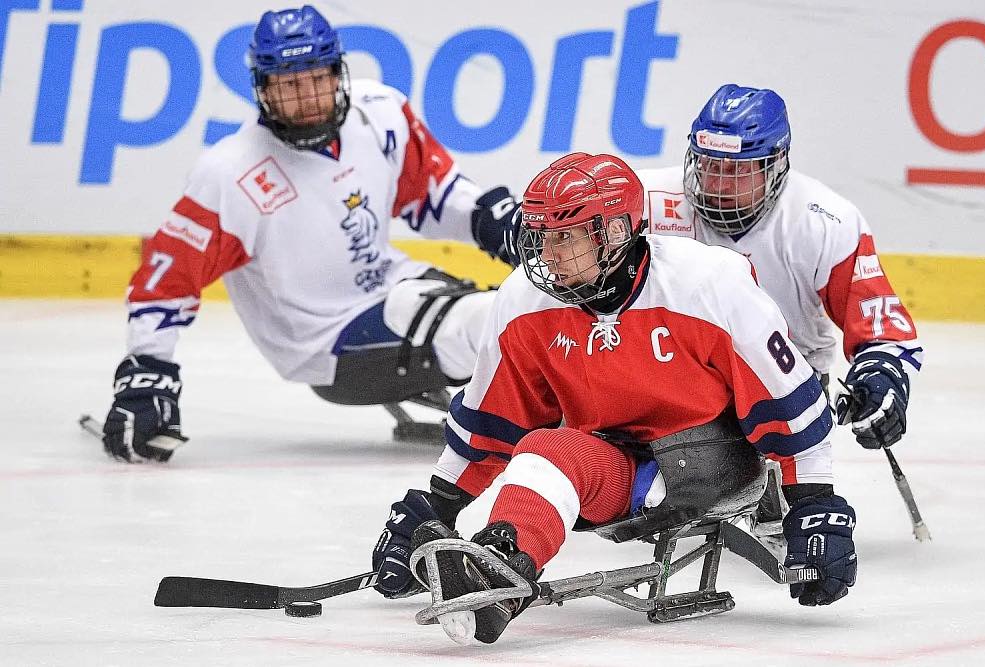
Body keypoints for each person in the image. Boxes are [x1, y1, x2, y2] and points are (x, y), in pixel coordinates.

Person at [371, 153, 858, 645]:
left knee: (563, 449)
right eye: (540, 237)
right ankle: (498, 571)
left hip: (715, 460)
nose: (547, 255)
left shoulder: (710, 285)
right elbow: (490, 421)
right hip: (615, 463)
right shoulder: (523, 300)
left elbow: (790, 406)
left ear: (616, 232)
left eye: (565, 237)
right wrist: (435, 508)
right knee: (547, 449)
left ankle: (498, 572)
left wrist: (815, 505)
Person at [101, 5, 519, 463]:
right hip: (326, 338)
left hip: (401, 287)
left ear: (338, 73)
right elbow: (166, 281)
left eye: (318, 78)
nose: (308, 98)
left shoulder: (379, 113)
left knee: (522, 303)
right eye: (290, 85)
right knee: (495, 324)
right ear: (263, 89)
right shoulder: (230, 173)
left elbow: (433, 194)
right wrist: (147, 374)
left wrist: (497, 223)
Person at [637, 83, 923, 535]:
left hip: (785, 378)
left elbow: (877, 322)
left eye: (737, 171)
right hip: (673, 371)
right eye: (709, 166)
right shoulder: (646, 199)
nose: (717, 184)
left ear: (775, 165)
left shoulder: (824, 221)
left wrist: (880, 376)